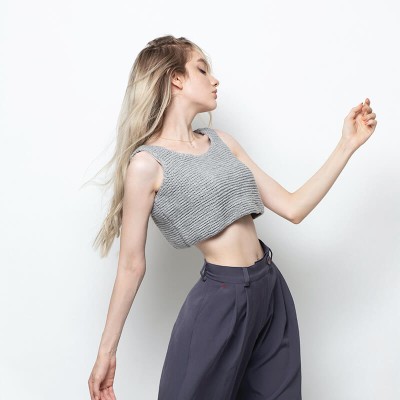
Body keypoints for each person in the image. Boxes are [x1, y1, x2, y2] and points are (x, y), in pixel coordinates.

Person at [87, 35, 377, 400]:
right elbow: (131, 265)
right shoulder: (147, 165)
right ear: (176, 80)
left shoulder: (222, 141)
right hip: (220, 301)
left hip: (270, 289)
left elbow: (293, 207)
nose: (215, 80)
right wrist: (107, 352)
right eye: (202, 70)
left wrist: (347, 144)